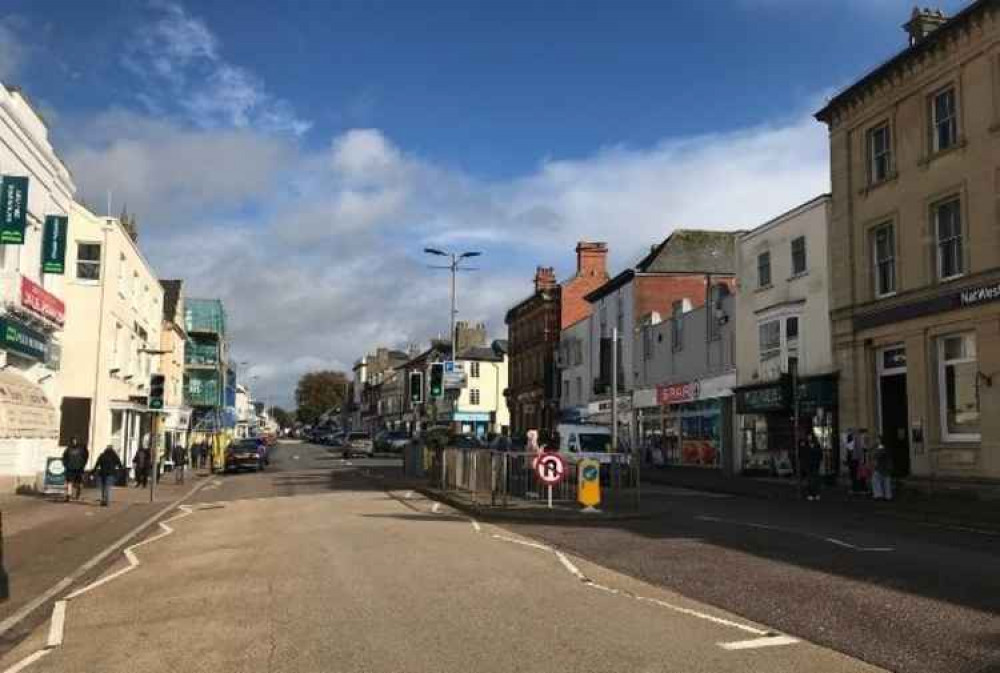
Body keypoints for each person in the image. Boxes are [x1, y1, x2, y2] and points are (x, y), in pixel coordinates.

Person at [61, 437, 89, 502]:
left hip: (79, 468)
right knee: (69, 482)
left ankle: (78, 494)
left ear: (77, 441)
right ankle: (69, 495)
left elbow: (86, 456)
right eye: (73, 441)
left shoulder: (81, 449)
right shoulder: (68, 449)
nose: (74, 442)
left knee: (79, 483)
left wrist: (83, 464)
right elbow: (64, 457)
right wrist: (65, 464)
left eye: (75, 441)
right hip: (70, 468)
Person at [807, 435, 823, 501]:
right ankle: (816, 494)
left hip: (811, 465)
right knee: (815, 479)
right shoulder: (817, 446)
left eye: (809, 437)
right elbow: (821, 456)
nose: (808, 439)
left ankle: (812, 494)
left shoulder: (809, 446)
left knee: (811, 480)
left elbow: (806, 455)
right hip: (816, 465)